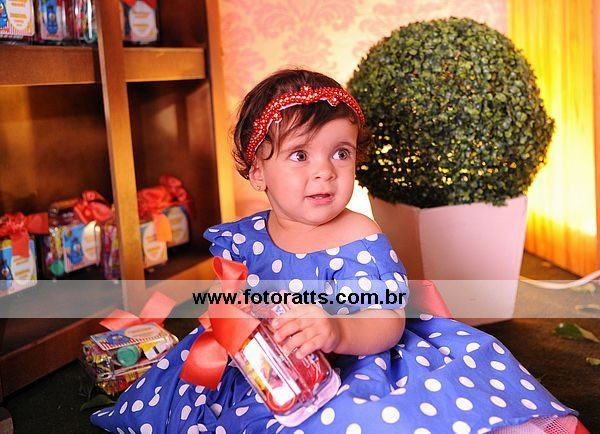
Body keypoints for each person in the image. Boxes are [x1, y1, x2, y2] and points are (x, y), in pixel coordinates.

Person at [92, 69, 584, 434]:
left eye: (340, 153)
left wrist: (337, 329)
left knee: (362, 415)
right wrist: (234, 322)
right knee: (194, 402)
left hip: (358, 356)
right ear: (258, 171)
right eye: (299, 154)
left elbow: (386, 321)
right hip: (271, 367)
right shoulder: (246, 237)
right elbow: (233, 303)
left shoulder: (357, 235)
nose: (324, 171)